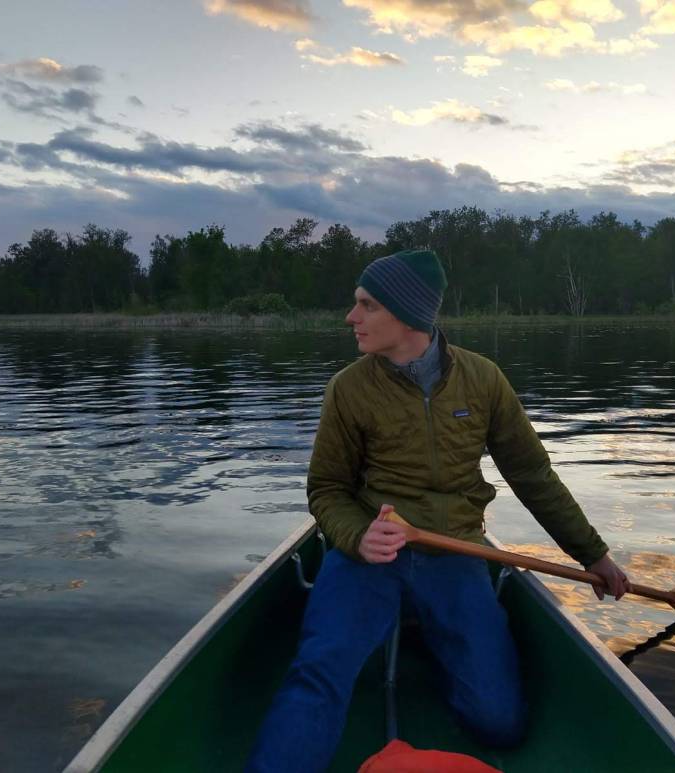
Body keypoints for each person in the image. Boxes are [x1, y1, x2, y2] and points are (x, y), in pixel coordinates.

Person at [245, 249, 630, 773]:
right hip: (369, 556)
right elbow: (328, 490)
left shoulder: (483, 380)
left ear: (407, 314)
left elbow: (533, 476)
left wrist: (592, 554)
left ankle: (440, 642)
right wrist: (357, 536)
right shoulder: (349, 389)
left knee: (499, 722)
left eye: (367, 305)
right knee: (318, 674)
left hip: (454, 552)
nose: (351, 317)